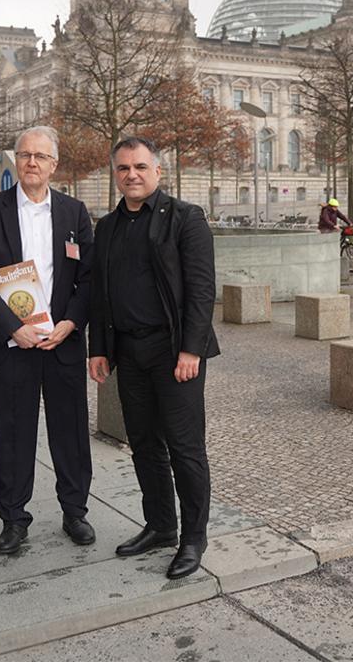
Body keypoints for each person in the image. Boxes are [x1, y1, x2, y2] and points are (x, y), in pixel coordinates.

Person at [88, 136, 220, 580]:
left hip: (174, 352)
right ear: (115, 174)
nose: (132, 175)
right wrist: (99, 349)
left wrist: (191, 349)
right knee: (143, 445)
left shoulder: (185, 219)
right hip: (129, 351)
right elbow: (99, 296)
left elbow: (202, 291)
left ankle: (193, 538)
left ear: (157, 172)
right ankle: (161, 525)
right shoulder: (106, 228)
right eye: (124, 168)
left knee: (185, 449)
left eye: (140, 167)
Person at [0, 125, 96, 554]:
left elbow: (88, 279)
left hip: (62, 343)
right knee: (13, 433)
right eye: (25, 155)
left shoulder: (75, 212)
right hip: (13, 345)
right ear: (15, 160)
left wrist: (71, 323)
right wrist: (11, 328)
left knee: (71, 432)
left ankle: (75, 512)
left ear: (54, 164)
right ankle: (14, 519)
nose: (32, 163)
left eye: (41, 157)